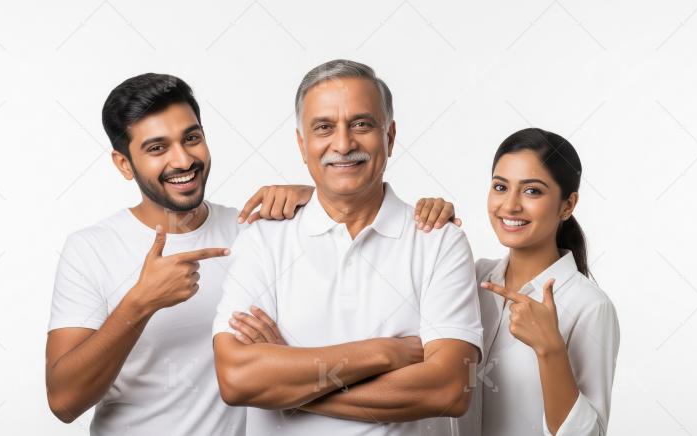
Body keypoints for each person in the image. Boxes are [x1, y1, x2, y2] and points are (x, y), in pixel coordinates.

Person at [45, 72, 459, 436]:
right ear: (123, 164)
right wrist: (139, 303)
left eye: (191, 138)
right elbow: (64, 401)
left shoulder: (256, 230)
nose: (183, 159)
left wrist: (315, 194)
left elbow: (342, 190)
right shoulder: (91, 250)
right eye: (157, 149)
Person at [212, 59, 484, 435]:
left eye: (361, 124)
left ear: (389, 137)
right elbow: (238, 380)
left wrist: (287, 383)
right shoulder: (262, 239)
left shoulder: (439, 241)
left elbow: (450, 390)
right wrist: (385, 353)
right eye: (324, 127)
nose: (343, 144)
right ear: (302, 144)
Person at [460, 128, 620, 435]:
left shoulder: (589, 307)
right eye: (500, 186)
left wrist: (551, 349)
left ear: (567, 205)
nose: (510, 206)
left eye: (532, 191)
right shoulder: (472, 277)